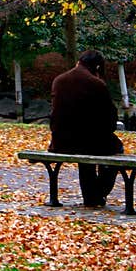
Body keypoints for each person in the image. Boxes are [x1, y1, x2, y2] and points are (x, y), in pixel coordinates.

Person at [49, 49, 124, 207]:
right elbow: (110, 120)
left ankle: (92, 196)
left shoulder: (59, 80)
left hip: (60, 142)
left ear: (79, 62)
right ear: (97, 68)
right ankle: (97, 193)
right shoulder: (97, 84)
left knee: (87, 152)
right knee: (115, 147)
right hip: (88, 143)